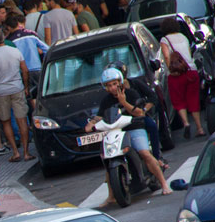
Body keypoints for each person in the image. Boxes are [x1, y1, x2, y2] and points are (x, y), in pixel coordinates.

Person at [84, 68, 172, 205]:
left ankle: (164, 184)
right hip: (117, 131)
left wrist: (123, 102)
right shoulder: (106, 100)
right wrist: (91, 123)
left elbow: (140, 113)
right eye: (109, 85)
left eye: (114, 83)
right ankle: (111, 196)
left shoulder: (131, 93)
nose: (112, 87)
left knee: (144, 153)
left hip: (134, 128)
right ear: (105, 87)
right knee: (108, 160)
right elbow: (100, 115)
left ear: (120, 82)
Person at [0, 28, 34, 162]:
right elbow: (25, 70)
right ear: (4, 38)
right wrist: (26, 86)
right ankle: (26, 152)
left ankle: (15, 152)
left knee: (5, 121)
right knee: (22, 119)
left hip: (0, 91)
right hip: (17, 88)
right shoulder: (15, 51)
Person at [107, 61, 167, 169]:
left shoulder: (135, 84)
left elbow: (152, 97)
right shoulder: (110, 93)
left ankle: (157, 157)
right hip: (121, 122)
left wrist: (143, 110)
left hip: (138, 119)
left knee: (152, 126)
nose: (113, 86)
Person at [159, 17, 205, 138]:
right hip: (191, 71)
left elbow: (166, 56)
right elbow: (188, 54)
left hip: (176, 75)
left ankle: (186, 123)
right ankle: (200, 128)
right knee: (193, 99)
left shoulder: (165, 40)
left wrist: (171, 69)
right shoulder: (183, 37)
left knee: (178, 100)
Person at [5, 14, 48, 103]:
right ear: (18, 24)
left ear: (8, 27)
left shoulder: (9, 41)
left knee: (32, 98)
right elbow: (46, 49)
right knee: (45, 95)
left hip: (23, 73)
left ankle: (35, 116)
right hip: (37, 68)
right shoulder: (31, 34)